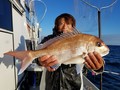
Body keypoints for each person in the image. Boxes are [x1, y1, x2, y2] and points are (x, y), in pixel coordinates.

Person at [38, 13, 104, 90]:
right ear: (56, 26)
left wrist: (98, 68)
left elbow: (87, 65)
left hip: (73, 85)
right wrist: (40, 61)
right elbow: (37, 54)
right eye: (61, 24)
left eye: (68, 24)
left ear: (73, 27)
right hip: (51, 85)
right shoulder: (48, 40)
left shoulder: (81, 41)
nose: (65, 27)